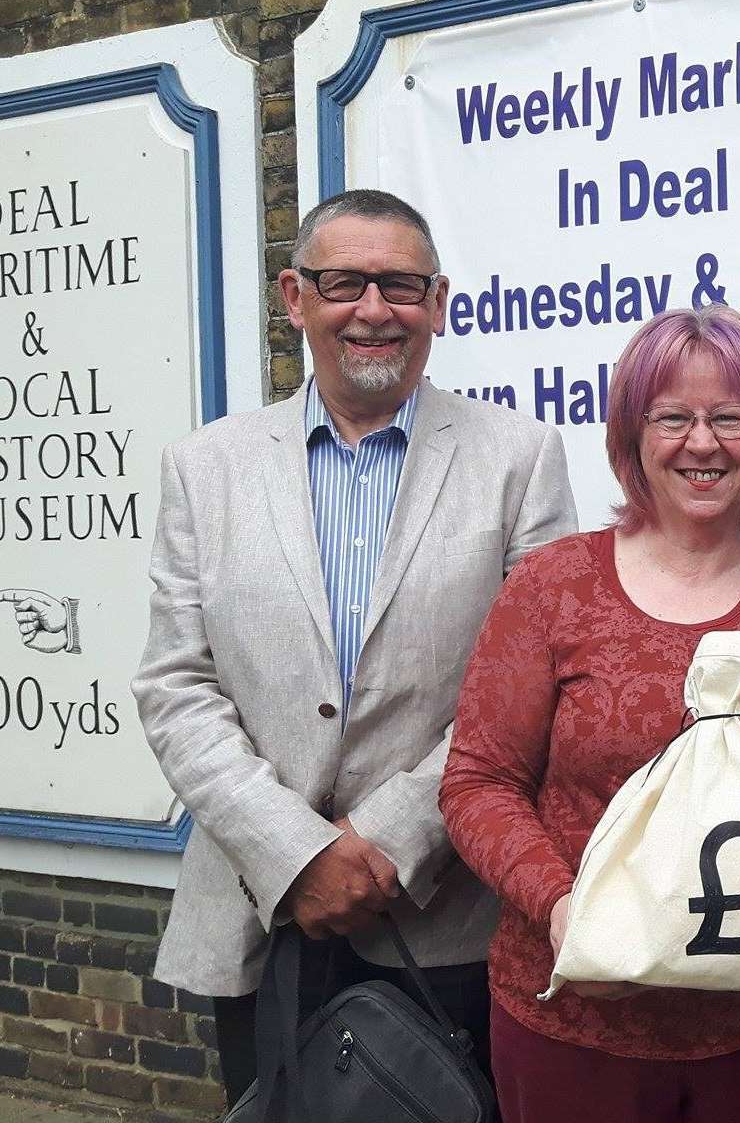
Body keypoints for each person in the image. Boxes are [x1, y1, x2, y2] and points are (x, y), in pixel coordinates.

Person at [131, 189, 576, 1107]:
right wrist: (297, 852)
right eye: (345, 284)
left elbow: (535, 688)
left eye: (401, 286)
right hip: (267, 914)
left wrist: (386, 841)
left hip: (446, 920)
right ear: (295, 297)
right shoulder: (205, 467)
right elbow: (178, 685)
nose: (375, 310)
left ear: (439, 302)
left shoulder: (518, 456)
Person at [439, 305, 740, 1123]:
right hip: (578, 1022)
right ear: (631, 437)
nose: (704, 443)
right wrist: (563, 908)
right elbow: (477, 782)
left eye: (731, 418)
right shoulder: (554, 587)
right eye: (674, 418)